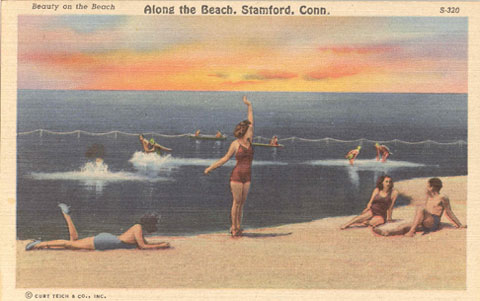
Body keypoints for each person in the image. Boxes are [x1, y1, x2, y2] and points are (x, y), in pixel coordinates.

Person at [204, 96, 253, 237]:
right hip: (237, 176)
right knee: (236, 202)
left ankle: (239, 226)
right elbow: (225, 159)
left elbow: (251, 120)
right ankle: (233, 227)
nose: (251, 130)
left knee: (242, 203)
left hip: (248, 176)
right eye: (249, 129)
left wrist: (249, 106)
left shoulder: (250, 140)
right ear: (244, 131)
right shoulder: (235, 144)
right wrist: (210, 168)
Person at [26, 204, 170, 251]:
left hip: (108, 240)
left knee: (73, 241)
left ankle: (66, 214)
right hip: (105, 242)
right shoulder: (137, 227)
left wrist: (158, 244)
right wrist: (162, 245)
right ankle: (38, 245)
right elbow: (143, 247)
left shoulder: (139, 228)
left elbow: (144, 244)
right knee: (69, 244)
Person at [402, 178, 466, 237]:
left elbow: (449, 211)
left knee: (420, 209)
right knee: (403, 228)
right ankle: (394, 234)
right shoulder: (429, 196)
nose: (426, 187)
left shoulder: (442, 197)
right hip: (425, 220)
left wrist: (459, 225)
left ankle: (412, 232)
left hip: (434, 222)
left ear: (432, 187)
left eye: (428, 186)